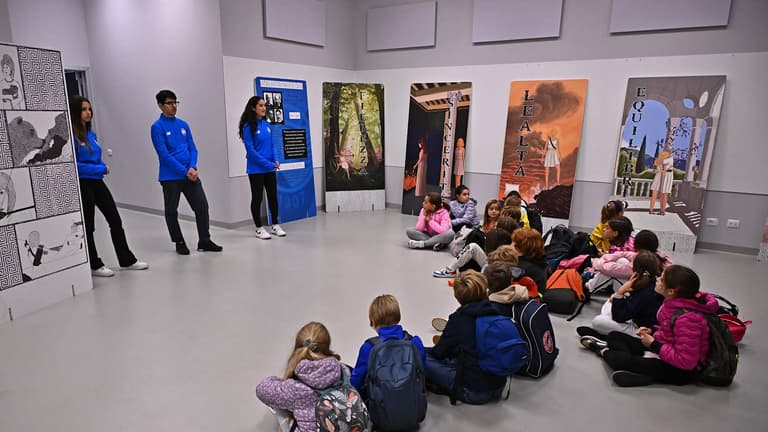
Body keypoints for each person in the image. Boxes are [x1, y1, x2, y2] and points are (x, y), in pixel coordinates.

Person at [579, 265, 719, 387]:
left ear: (671, 291)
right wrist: (652, 331)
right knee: (615, 336)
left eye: (661, 279)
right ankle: (633, 365)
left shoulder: (689, 319)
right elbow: (669, 331)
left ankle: (604, 351)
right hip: (662, 350)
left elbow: (686, 361)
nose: (657, 280)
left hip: (681, 371)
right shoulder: (673, 304)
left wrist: (654, 345)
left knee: (621, 360)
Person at [70, 96, 148, 277]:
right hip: (84, 183)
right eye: (83, 109)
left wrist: (100, 167)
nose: (88, 112)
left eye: (89, 109)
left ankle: (127, 260)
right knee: (89, 226)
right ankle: (94, 264)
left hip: (97, 181)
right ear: (76, 112)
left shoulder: (92, 135)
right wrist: (101, 168)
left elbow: (96, 157)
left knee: (115, 219)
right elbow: (74, 165)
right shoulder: (72, 137)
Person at [151, 90, 222, 255]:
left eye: (175, 102)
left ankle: (204, 240)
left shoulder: (183, 124)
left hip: (190, 174)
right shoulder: (157, 127)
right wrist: (185, 171)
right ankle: (179, 241)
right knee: (171, 210)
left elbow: (193, 148)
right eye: (169, 103)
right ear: (160, 105)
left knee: (202, 207)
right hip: (171, 177)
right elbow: (164, 155)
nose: (173, 106)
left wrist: (193, 167)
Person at [425, 270, 507, 404]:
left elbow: (438, 353)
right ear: (484, 291)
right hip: (499, 385)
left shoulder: (458, 319)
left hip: (473, 392)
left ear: (458, 297)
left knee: (420, 353)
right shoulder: (497, 311)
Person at [255, 322, 351, 432]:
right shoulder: (344, 372)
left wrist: (281, 380)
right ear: (327, 346)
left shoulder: (295, 388)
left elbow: (262, 389)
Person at [350, 294, 427, 429]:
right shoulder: (414, 342)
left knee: (351, 371)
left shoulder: (369, 347)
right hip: (414, 415)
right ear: (398, 318)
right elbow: (423, 370)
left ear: (373, 323)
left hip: (381, 419)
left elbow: (356, 381)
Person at [580, 251, 664, 337]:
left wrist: (620, 292)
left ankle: (605, 333)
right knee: (610, 303)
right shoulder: (650, 281)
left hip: (641, 330)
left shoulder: (645, 291)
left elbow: (619, 316)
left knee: (598, 321)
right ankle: (606, 330)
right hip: (636, 318)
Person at [238, 95, 286, 240]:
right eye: (260, 105)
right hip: (256, 170)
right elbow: (251, 152)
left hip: (270, 168)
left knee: (273, 197)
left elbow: (272, 145)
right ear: (253, 108)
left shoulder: (267, 125)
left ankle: (275, 225)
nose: (264, 108)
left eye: (265, 105)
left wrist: (276, 160)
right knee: (257, 198)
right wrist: (269, 164)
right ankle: (259, 228)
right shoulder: (248, 127)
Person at [432, 228, 511, 278]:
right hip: (490, 259)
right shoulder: (498, 231)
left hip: (496, 266)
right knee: (472, 246)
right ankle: (450, 270)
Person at [511, 228, 548, 295]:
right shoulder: (540, 263)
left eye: (513, 243)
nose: (510, 246)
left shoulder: (521, 269)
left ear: (522, 247)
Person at [650, 142, 675, 215]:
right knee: (657, 193)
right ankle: (653, 210)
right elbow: (657, 165)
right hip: (660, 175)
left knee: (664, 194)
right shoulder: (662, 157)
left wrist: (661, 166)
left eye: (668, 151)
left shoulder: (670, 158)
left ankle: (662, 211)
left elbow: (667, 167)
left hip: (668, 176)